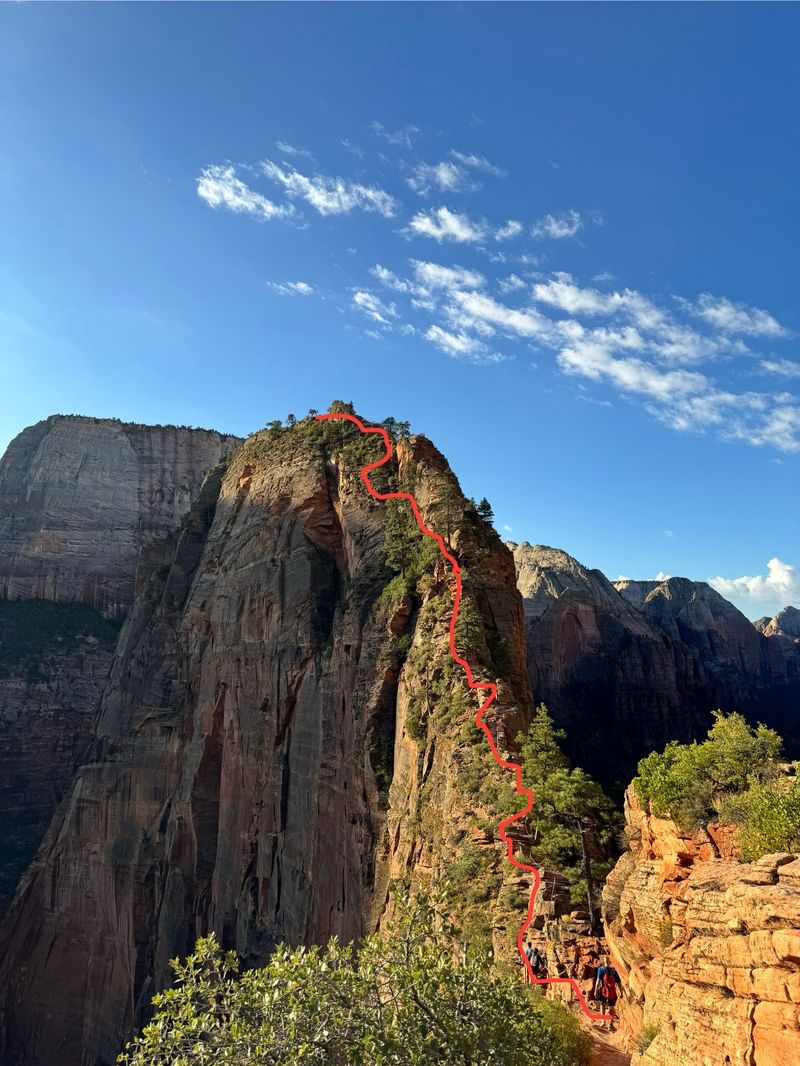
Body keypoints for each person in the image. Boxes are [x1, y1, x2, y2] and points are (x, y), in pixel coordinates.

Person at [593, 954, 622, 1030]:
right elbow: (619, 983)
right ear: (610, 962)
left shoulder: (601, 969)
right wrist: (621, 992)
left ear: (604, 962)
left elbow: (598, 981)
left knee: (602, 1005)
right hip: (612, 993)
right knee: (611, 1008)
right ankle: (611, 1024)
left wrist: (595, 991)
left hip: (603, 991)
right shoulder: (614, 971)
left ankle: (603, 1021)